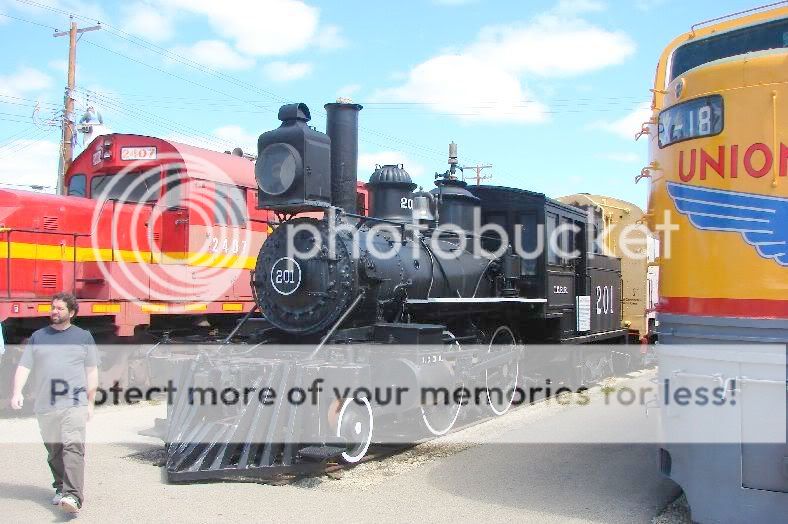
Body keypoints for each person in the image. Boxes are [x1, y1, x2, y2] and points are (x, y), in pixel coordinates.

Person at [10, 292, 98, 515]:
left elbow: (92, 371)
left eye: (59, 308)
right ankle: (60, 487)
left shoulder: (83, 337)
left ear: (72, 312)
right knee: (54, 451)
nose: (54, 312)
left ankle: (73, 496)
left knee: (73, 448)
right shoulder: (39, 336)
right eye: (53, 308)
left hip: (74, 402)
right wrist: (16, 391)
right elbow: (25, 366)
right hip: (46, 404)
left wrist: (90, 403)